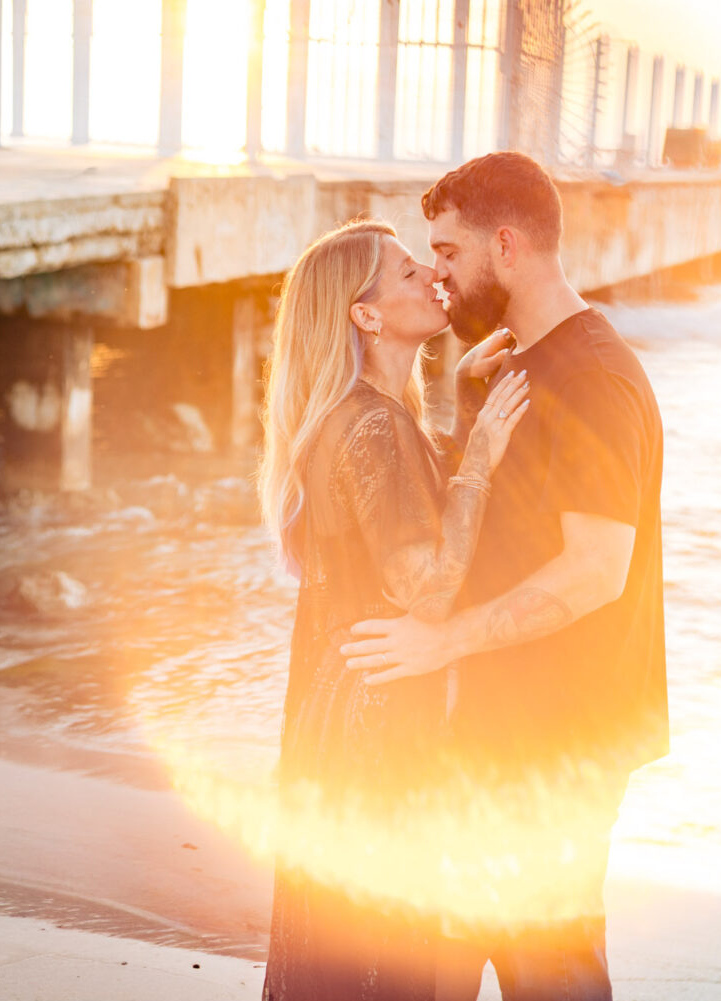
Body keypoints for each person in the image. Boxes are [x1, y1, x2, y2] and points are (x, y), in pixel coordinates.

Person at [340, 151, 669, 1001]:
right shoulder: (517, 365)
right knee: (448, 961)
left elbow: (596, 570)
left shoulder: (594, 378)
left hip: (560, 742)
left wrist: (442, 642)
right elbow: (493, 528)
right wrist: (462, 412)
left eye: (449, 252)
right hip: (496, 727)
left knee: (547, 967)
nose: (439, 275)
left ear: (508, 247)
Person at [257, 218, 531, 1001]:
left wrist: (459, 403)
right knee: (382, 960)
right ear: (365, 314)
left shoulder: (361, 414)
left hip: (336, 716)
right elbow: (427, 587)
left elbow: (406, 518)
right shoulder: (374, 423)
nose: (433, 277)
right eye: (410, 272)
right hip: (373, 729)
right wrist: (480, 459)